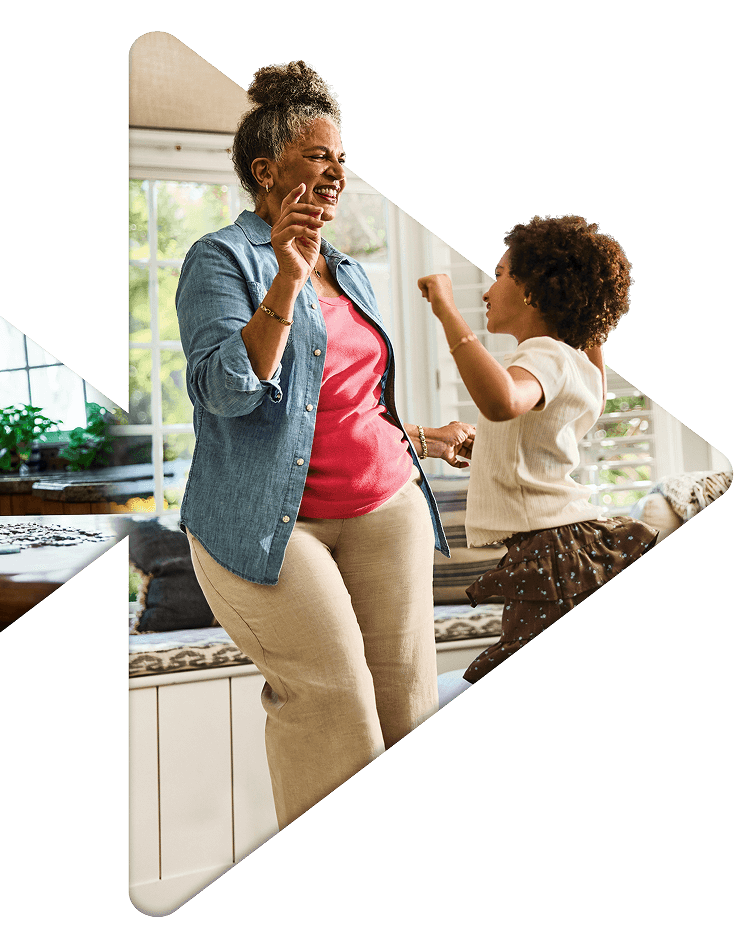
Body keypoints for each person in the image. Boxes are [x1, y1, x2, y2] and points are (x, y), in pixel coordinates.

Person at [175, 61, 472, 830]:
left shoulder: (352, 271)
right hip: (271, 523)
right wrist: (284, 279)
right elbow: (227, 392)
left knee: (408, 701)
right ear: (266, 170)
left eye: (341, 157)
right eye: (319, 156)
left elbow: (341, 405)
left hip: (386, 505)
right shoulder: (221, 258)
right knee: (335, 704)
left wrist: (421, 438)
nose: (338, 170)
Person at [418, 214, 659, 690]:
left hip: (551, 551)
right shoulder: (583, 362)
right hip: (567, 543)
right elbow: (538, 433)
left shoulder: (544, 353)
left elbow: (503, 402)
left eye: (500, 274)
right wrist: (485, 447)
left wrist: (447, 310)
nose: (487, 290)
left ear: (532, 289)